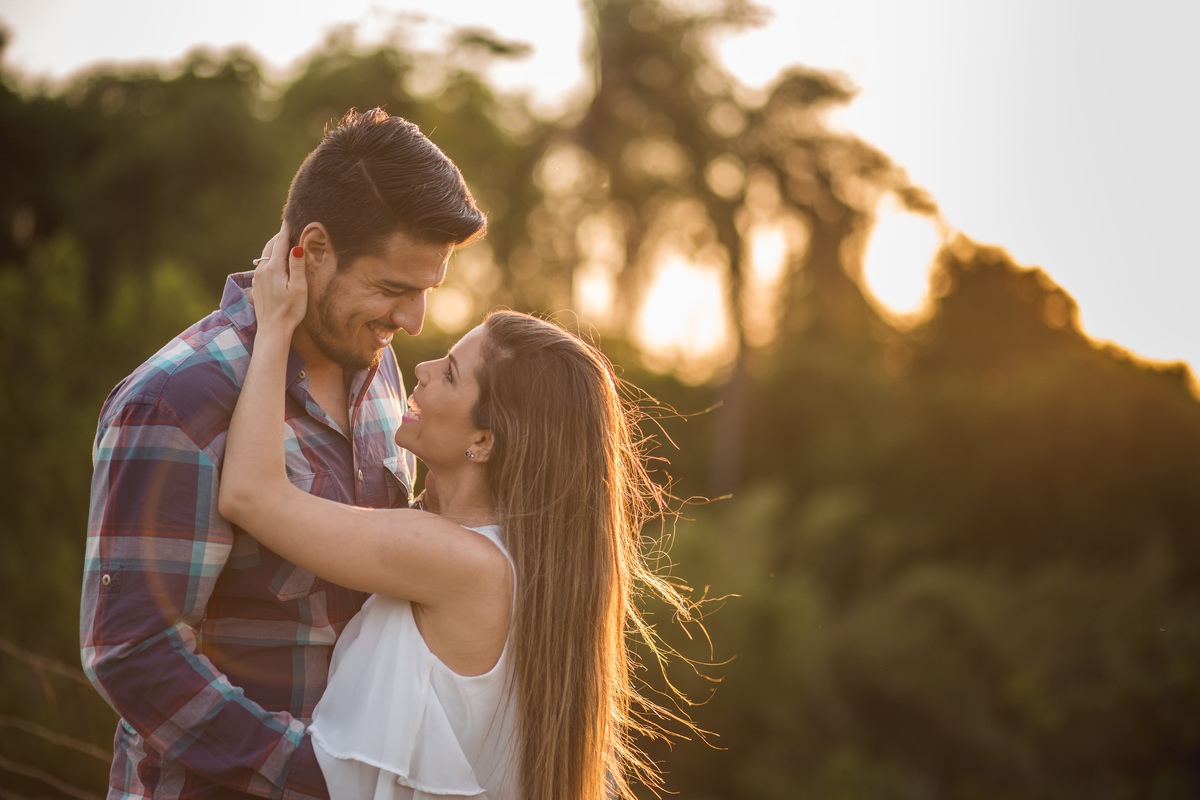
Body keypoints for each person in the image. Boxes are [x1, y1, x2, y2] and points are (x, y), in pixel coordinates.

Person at [81, 108, 486, 799]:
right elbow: (132, 651)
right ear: (315, 249)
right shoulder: (179, 401)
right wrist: (313, 773)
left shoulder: (379, 371)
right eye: (394, 289)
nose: (414, 320)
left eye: (426, 291)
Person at [216, 233, 697, 800]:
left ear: (484, 441)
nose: (419, 367)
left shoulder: (452, 560)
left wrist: (274, 326)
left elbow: (248, 494)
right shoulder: (512, 560)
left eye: (448, 374)